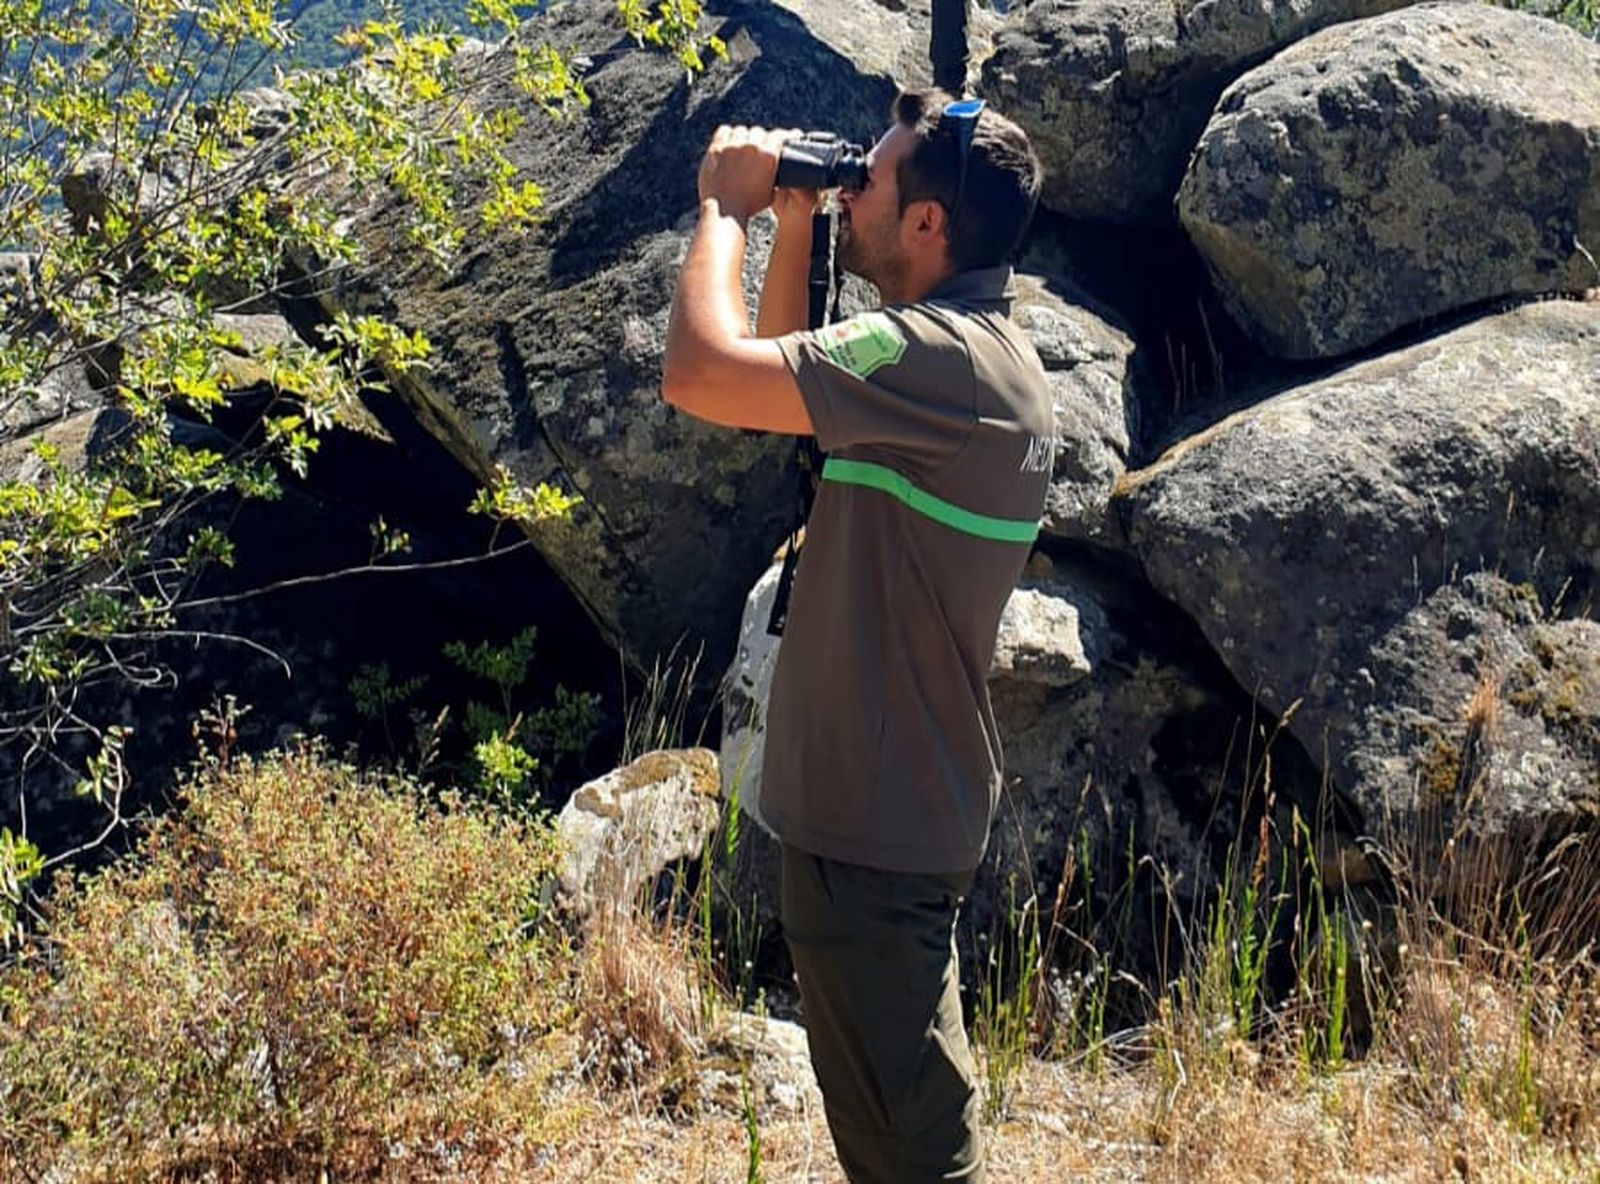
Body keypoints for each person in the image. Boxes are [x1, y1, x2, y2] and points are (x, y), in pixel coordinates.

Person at [662, 89, 1050, 1183]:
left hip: (877, 838)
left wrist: (723, 208)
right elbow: (776, 383)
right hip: (886, 818)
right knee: (898, 1137)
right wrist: (794, 223)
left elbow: (701, 373)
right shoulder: (963, 358)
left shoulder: (933, 360)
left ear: (927, 223)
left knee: (915, 1160)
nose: (850, 191)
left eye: (867, 181)